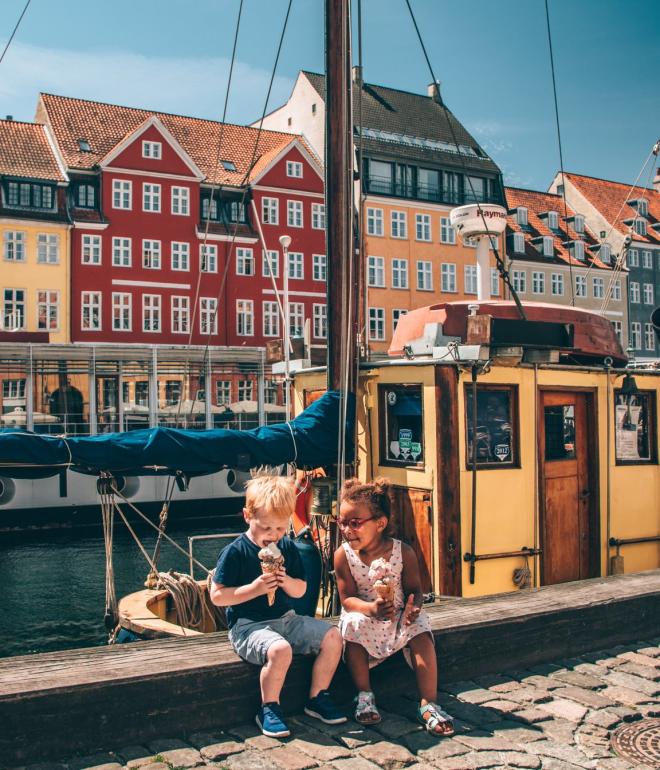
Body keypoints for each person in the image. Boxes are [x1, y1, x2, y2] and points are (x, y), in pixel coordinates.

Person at [209, 475, 346, 738]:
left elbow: (301, 589)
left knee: (333, 636)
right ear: (248, 516)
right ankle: (269, 707)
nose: (273, 536)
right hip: (248, 625)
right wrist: (256, 589)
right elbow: (217, 595)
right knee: (280, 650)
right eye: (267, 528)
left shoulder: (286, 547)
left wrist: (285, 581)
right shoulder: (235, 551)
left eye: (281, 529)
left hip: (286, 618)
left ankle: (317, 697)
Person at [333, 477, 454, 737]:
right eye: (341, 522)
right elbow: (347, 599)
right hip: (364, 613)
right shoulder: (343, 555)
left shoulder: (403, 552)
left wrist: (414, 608)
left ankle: (428, 703)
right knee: (352, 626)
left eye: (355, 523)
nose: (346, 529)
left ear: (380, 523)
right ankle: (364, 694)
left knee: (421, 631)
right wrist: (371, 609)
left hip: (398, 615)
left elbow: (415, 591)